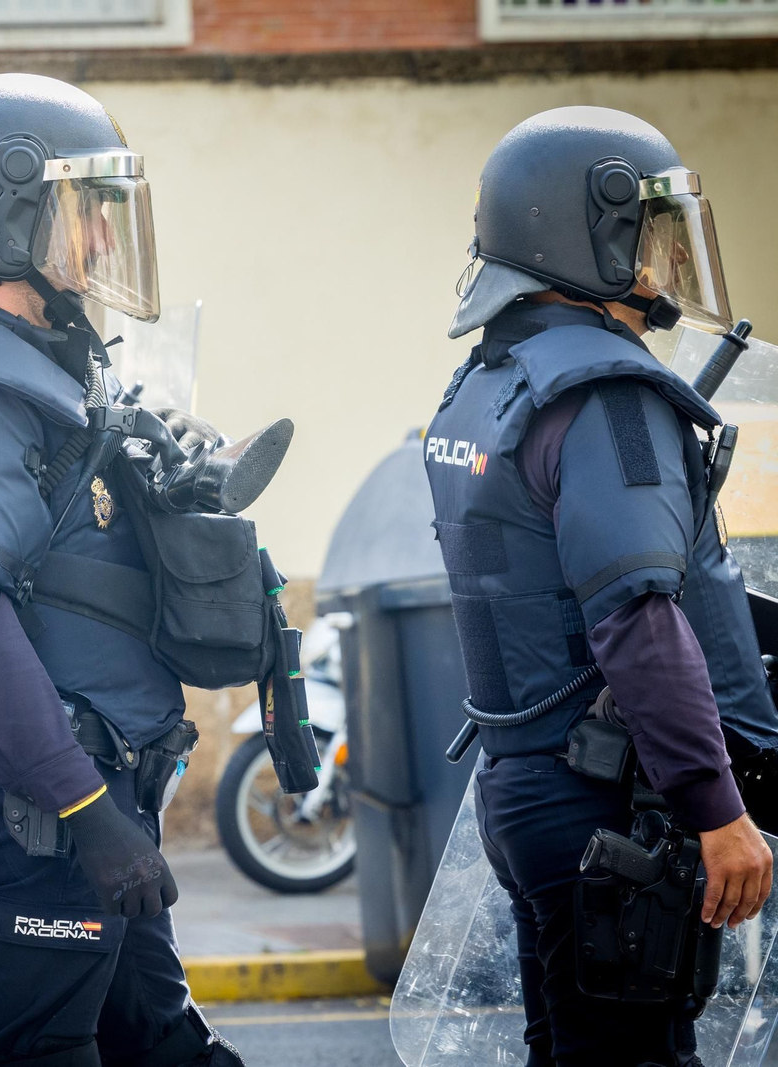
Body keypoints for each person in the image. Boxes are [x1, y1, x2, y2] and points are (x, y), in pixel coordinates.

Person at [0, 73, 245, 1067]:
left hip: (89, 790)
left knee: (160, 1042)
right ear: (7, 209)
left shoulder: (30, 362)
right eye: (84, 215)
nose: (102, 243)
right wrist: (84, 810)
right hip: (52, 806)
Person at [426, 105, 778, 1067]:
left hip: (529, 791)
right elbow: (636, 617)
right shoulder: (609, 396)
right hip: (615, 812)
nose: (665, 260)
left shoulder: (488, 381)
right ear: (590, 231)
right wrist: (718, 810)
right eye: (652, 234)